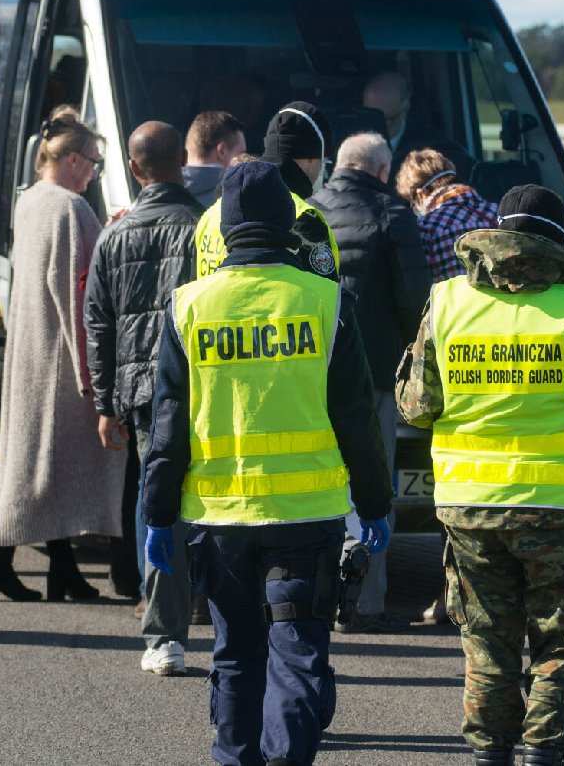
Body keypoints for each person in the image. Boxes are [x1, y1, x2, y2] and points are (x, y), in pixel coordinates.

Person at [396, 184, 564, 766]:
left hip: (469, 505)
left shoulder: (447, 303)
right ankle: (544, 751)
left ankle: (489, 753)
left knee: (487, 639)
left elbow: (415, 406)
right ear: (559, 239)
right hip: (562, 506)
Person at [141, 160, 393, 766]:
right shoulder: (328, 302)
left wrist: (157, 514)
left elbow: (168, 426)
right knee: (299, 653)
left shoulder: (187, 307)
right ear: (288, 221)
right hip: (306, 518)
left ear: (225, 229)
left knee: (235, 654)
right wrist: (377, 504)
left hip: (219, 519)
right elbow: (357, 418)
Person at [0, 107, 126, 601]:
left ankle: (59, 569)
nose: (96, 173)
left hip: (32, 350)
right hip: (62, 356)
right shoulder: (69, 209)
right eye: (95, 163)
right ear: (75, 160)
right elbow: (82, 292)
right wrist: (93, 377)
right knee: (56, 466)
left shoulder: (30, 201)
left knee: (43, 464)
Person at [85, 120, 204, 674]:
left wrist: (104, 404)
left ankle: (161, 631)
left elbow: (99, 325)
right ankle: (212, 608)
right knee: (207, 497)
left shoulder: (115, 233)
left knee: (152, 502)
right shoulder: (205, 229)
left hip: (139, 391)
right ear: (182, 158)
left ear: (134, 168)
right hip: (201, 386)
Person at [310, 131, 431, 632]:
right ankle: (364, 602)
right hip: (376, 373)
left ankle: (312, 593)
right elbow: (416, 303)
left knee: (318, 486)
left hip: (310, 372)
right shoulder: (394, 216)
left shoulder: (308, 212)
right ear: (383, 172)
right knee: (372, 488)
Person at [193, 102, 339, 281]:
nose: (323, 170)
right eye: (324, 162)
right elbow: (328, 300)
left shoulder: (210, 215)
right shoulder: (305, 219)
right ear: (310, 159)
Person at [393, 148, 497, 283]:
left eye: (412, 202)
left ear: (420, 194)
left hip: (457, 304)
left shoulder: (427, 226)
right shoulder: (498, 212)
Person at [363, 71, 473, 180]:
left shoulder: (434, 150)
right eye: (371, 116)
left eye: (387, 120)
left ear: (405, 110)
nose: (377, 125)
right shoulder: (351, 144)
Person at [182, 110, 246, 208]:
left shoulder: (157, 195)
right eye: (241, 154)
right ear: (222, 151)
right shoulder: (239, 200)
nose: (244, 161)